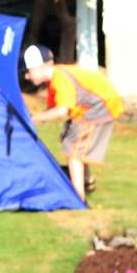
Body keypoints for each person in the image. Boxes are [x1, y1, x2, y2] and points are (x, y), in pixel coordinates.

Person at [24, 44, 125, 200]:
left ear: (44, 66)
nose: (27, 77)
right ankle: (87, 182)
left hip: (99, 105)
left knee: (73, 149)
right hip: (89, 106)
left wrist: (36, 118)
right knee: (71, 139)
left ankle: (78, 196)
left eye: (29, 71)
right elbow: (53, 107)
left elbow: (61, 111)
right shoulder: (54, 80)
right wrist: (37, 118)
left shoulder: (59, 79)